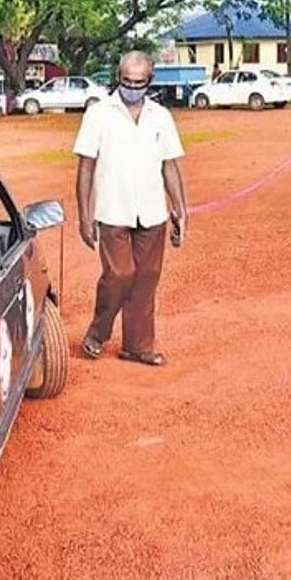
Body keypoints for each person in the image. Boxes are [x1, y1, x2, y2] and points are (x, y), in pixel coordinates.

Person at [72, 50, 188, 367]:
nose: (132, 87)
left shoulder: (160, 116)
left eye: (139, 82)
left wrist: (180, 208)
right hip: (112, 210)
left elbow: (169, 166)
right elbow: (85, 167)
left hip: (152, 211)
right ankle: (98, 332)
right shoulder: (99, 114)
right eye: (126, 81)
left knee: (147, 278)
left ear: (149, 81)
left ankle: (138, 346)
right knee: (121, 274)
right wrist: (84, 216)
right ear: (118, 78)